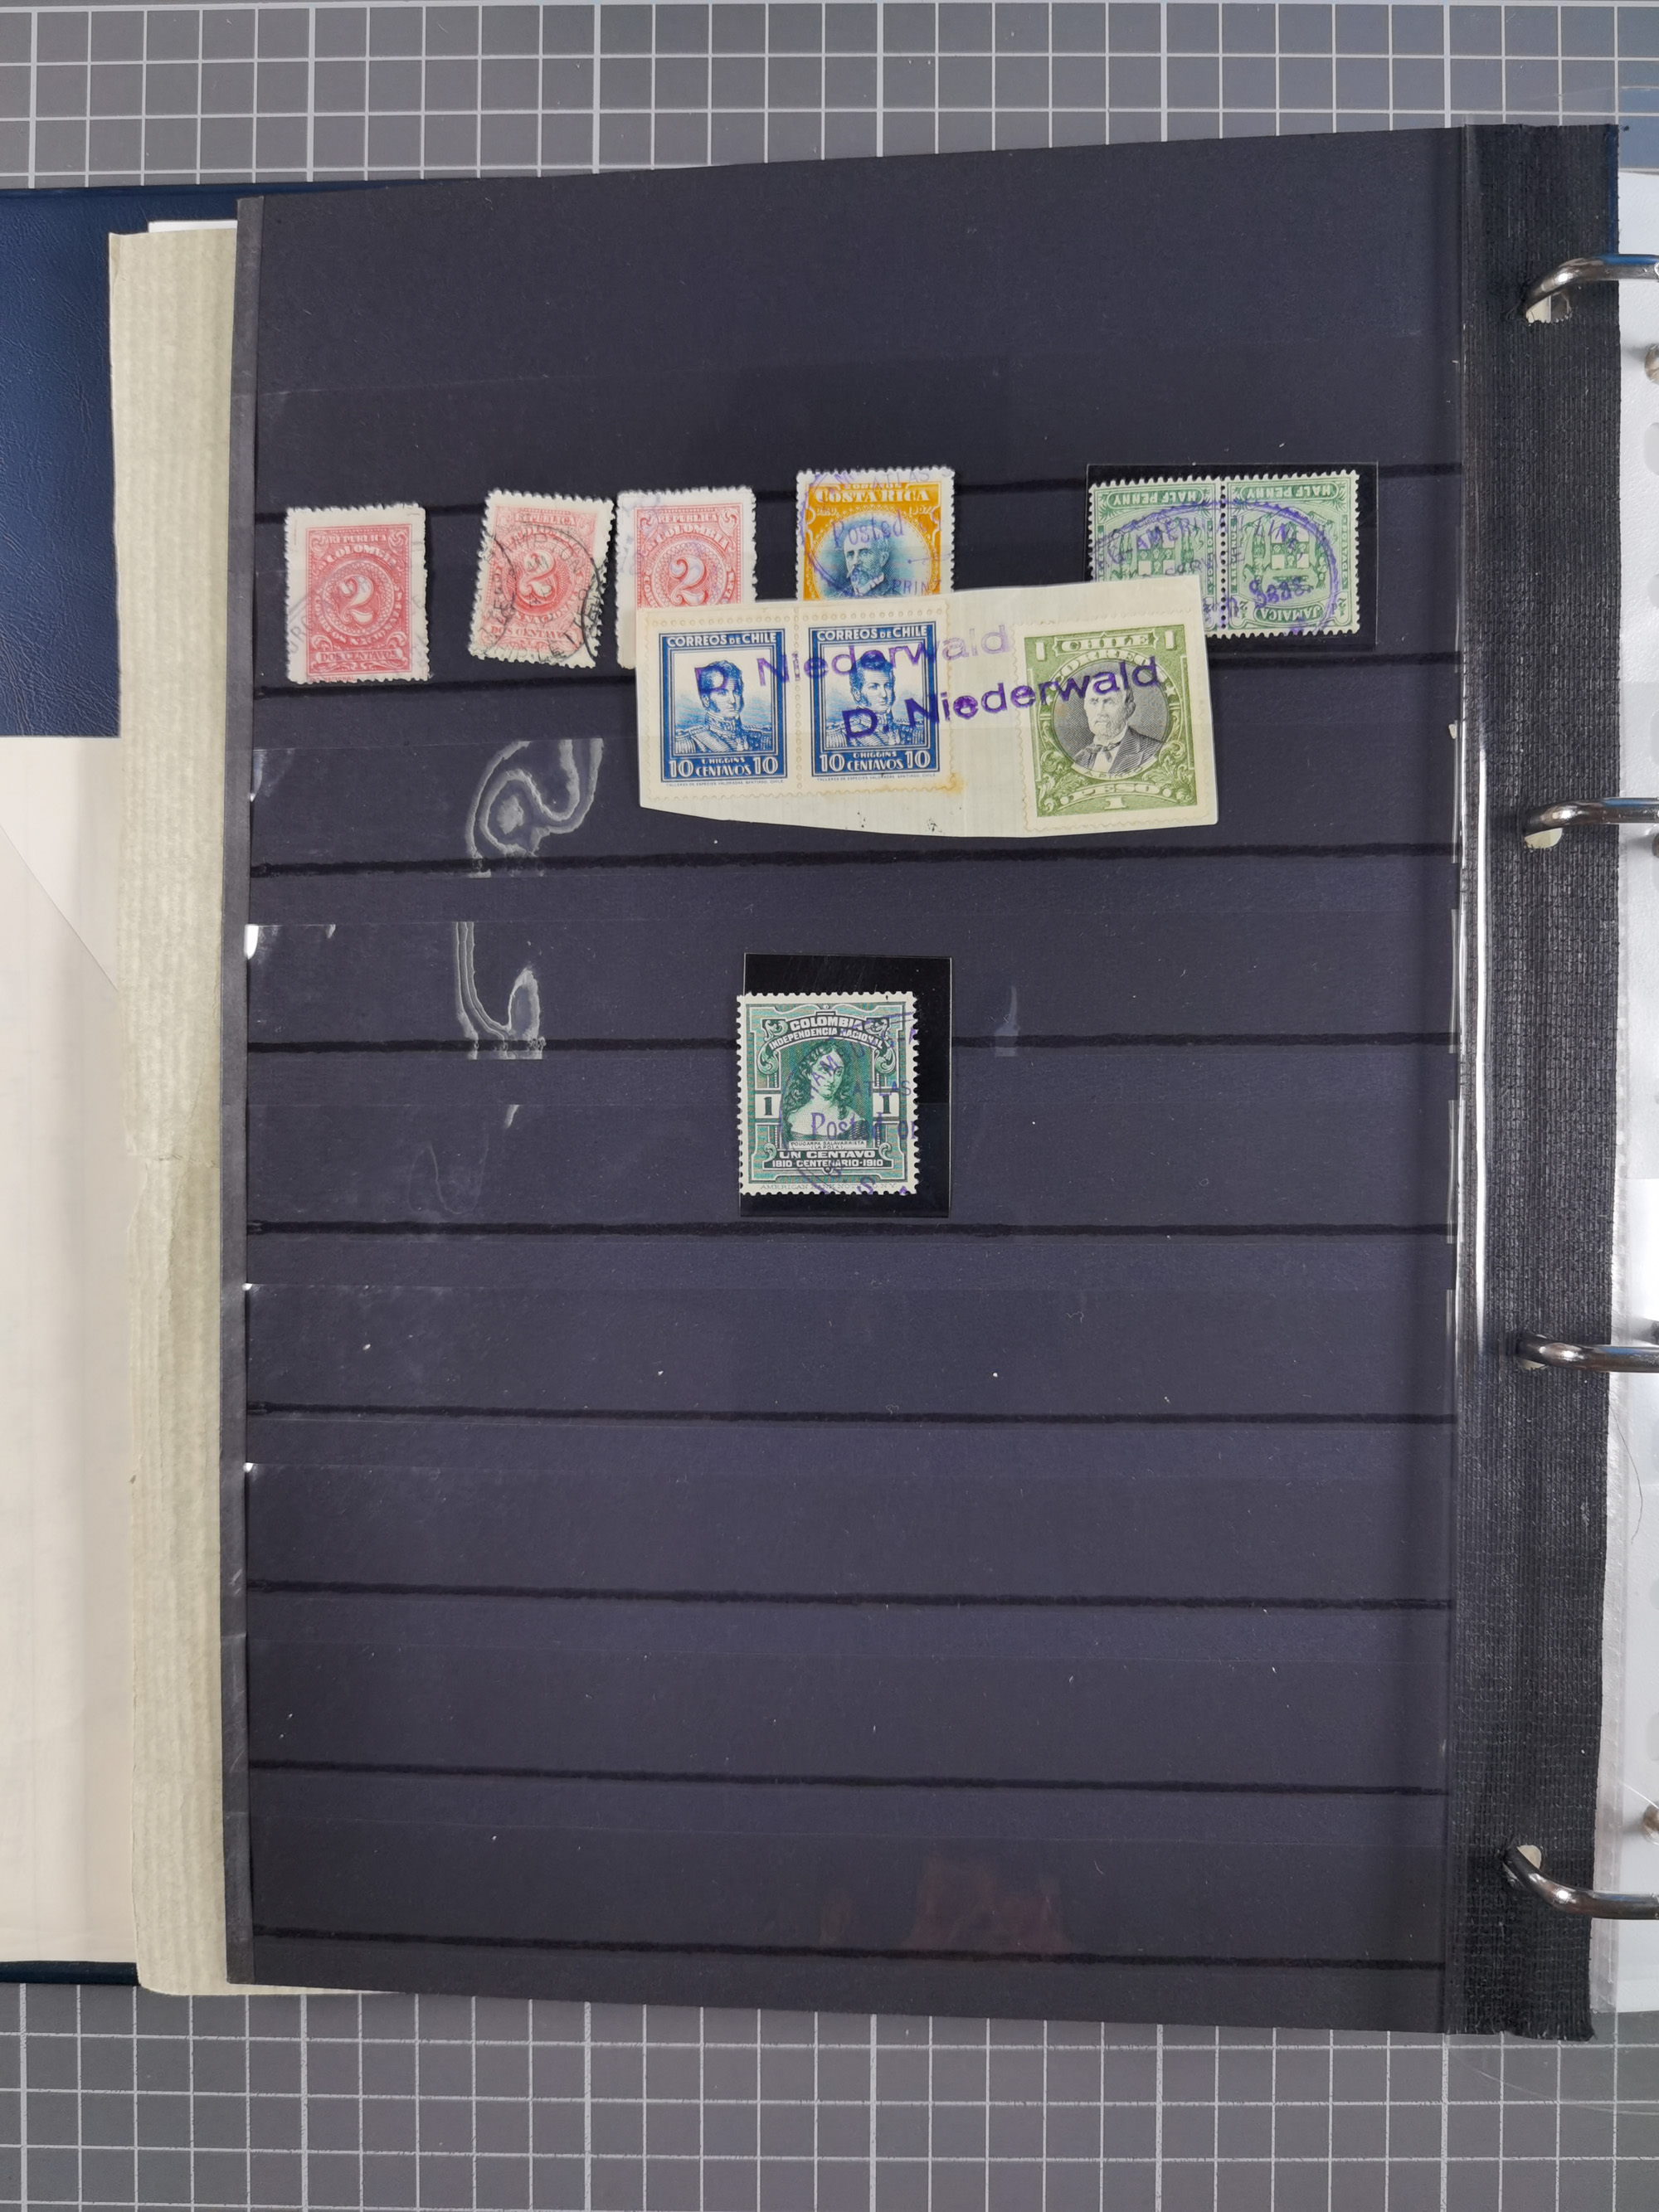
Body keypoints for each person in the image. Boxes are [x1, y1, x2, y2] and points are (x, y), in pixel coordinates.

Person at [1073, 674, 1166, 779]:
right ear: (1085, 707)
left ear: (1129, 709)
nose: (1100, 711)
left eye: (1109, 702)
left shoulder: (1157, 752)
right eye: (1094, 702)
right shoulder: (1079, 759)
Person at [673, 659, 766, 754]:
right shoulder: (692, 741)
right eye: (723, 693)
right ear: (706, 700)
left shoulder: (759, 737)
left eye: (736, 692)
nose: (733, 700)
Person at [785, 1043, 866, 1142]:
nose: (831, 1080)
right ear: (809, 1072)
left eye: (838, 1072)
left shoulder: (853, 1120)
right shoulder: (792, 1118)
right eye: (824, 1070)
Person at [844, 649, 902, 744]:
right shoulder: (850, 734)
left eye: (888, 686)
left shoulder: (898, 730)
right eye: (874, 687)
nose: (884, 694)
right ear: (857, 693)